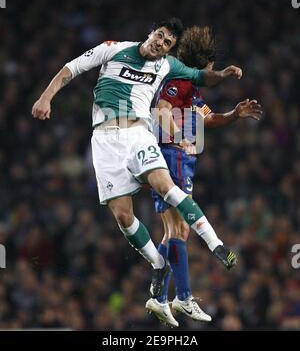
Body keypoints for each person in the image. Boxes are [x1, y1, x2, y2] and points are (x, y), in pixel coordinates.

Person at [32, 18, 243, 304]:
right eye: (160, 36)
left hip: (137, 133)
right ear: (151, 33)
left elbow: (201, 77)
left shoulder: (168, 65)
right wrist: (46, 97)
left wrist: (224, 74)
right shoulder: (114, 49)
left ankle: (216, 245)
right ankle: (158, 265)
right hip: (105, 140)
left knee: (166, 186)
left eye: (168, 42)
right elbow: (72, 68)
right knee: (122, 215)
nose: (161, 43)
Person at [146, 26, 262, 327]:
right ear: (205, 64)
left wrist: (234, 114)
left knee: (174, 231)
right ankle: (182, 297)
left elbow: (208, 119)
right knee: (180, 228)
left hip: (177, 157)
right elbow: (162, 111)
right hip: (171, 156)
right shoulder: (181, 82)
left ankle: (160, 298)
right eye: (211, 66)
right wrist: (179, 137)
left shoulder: (191, 90)